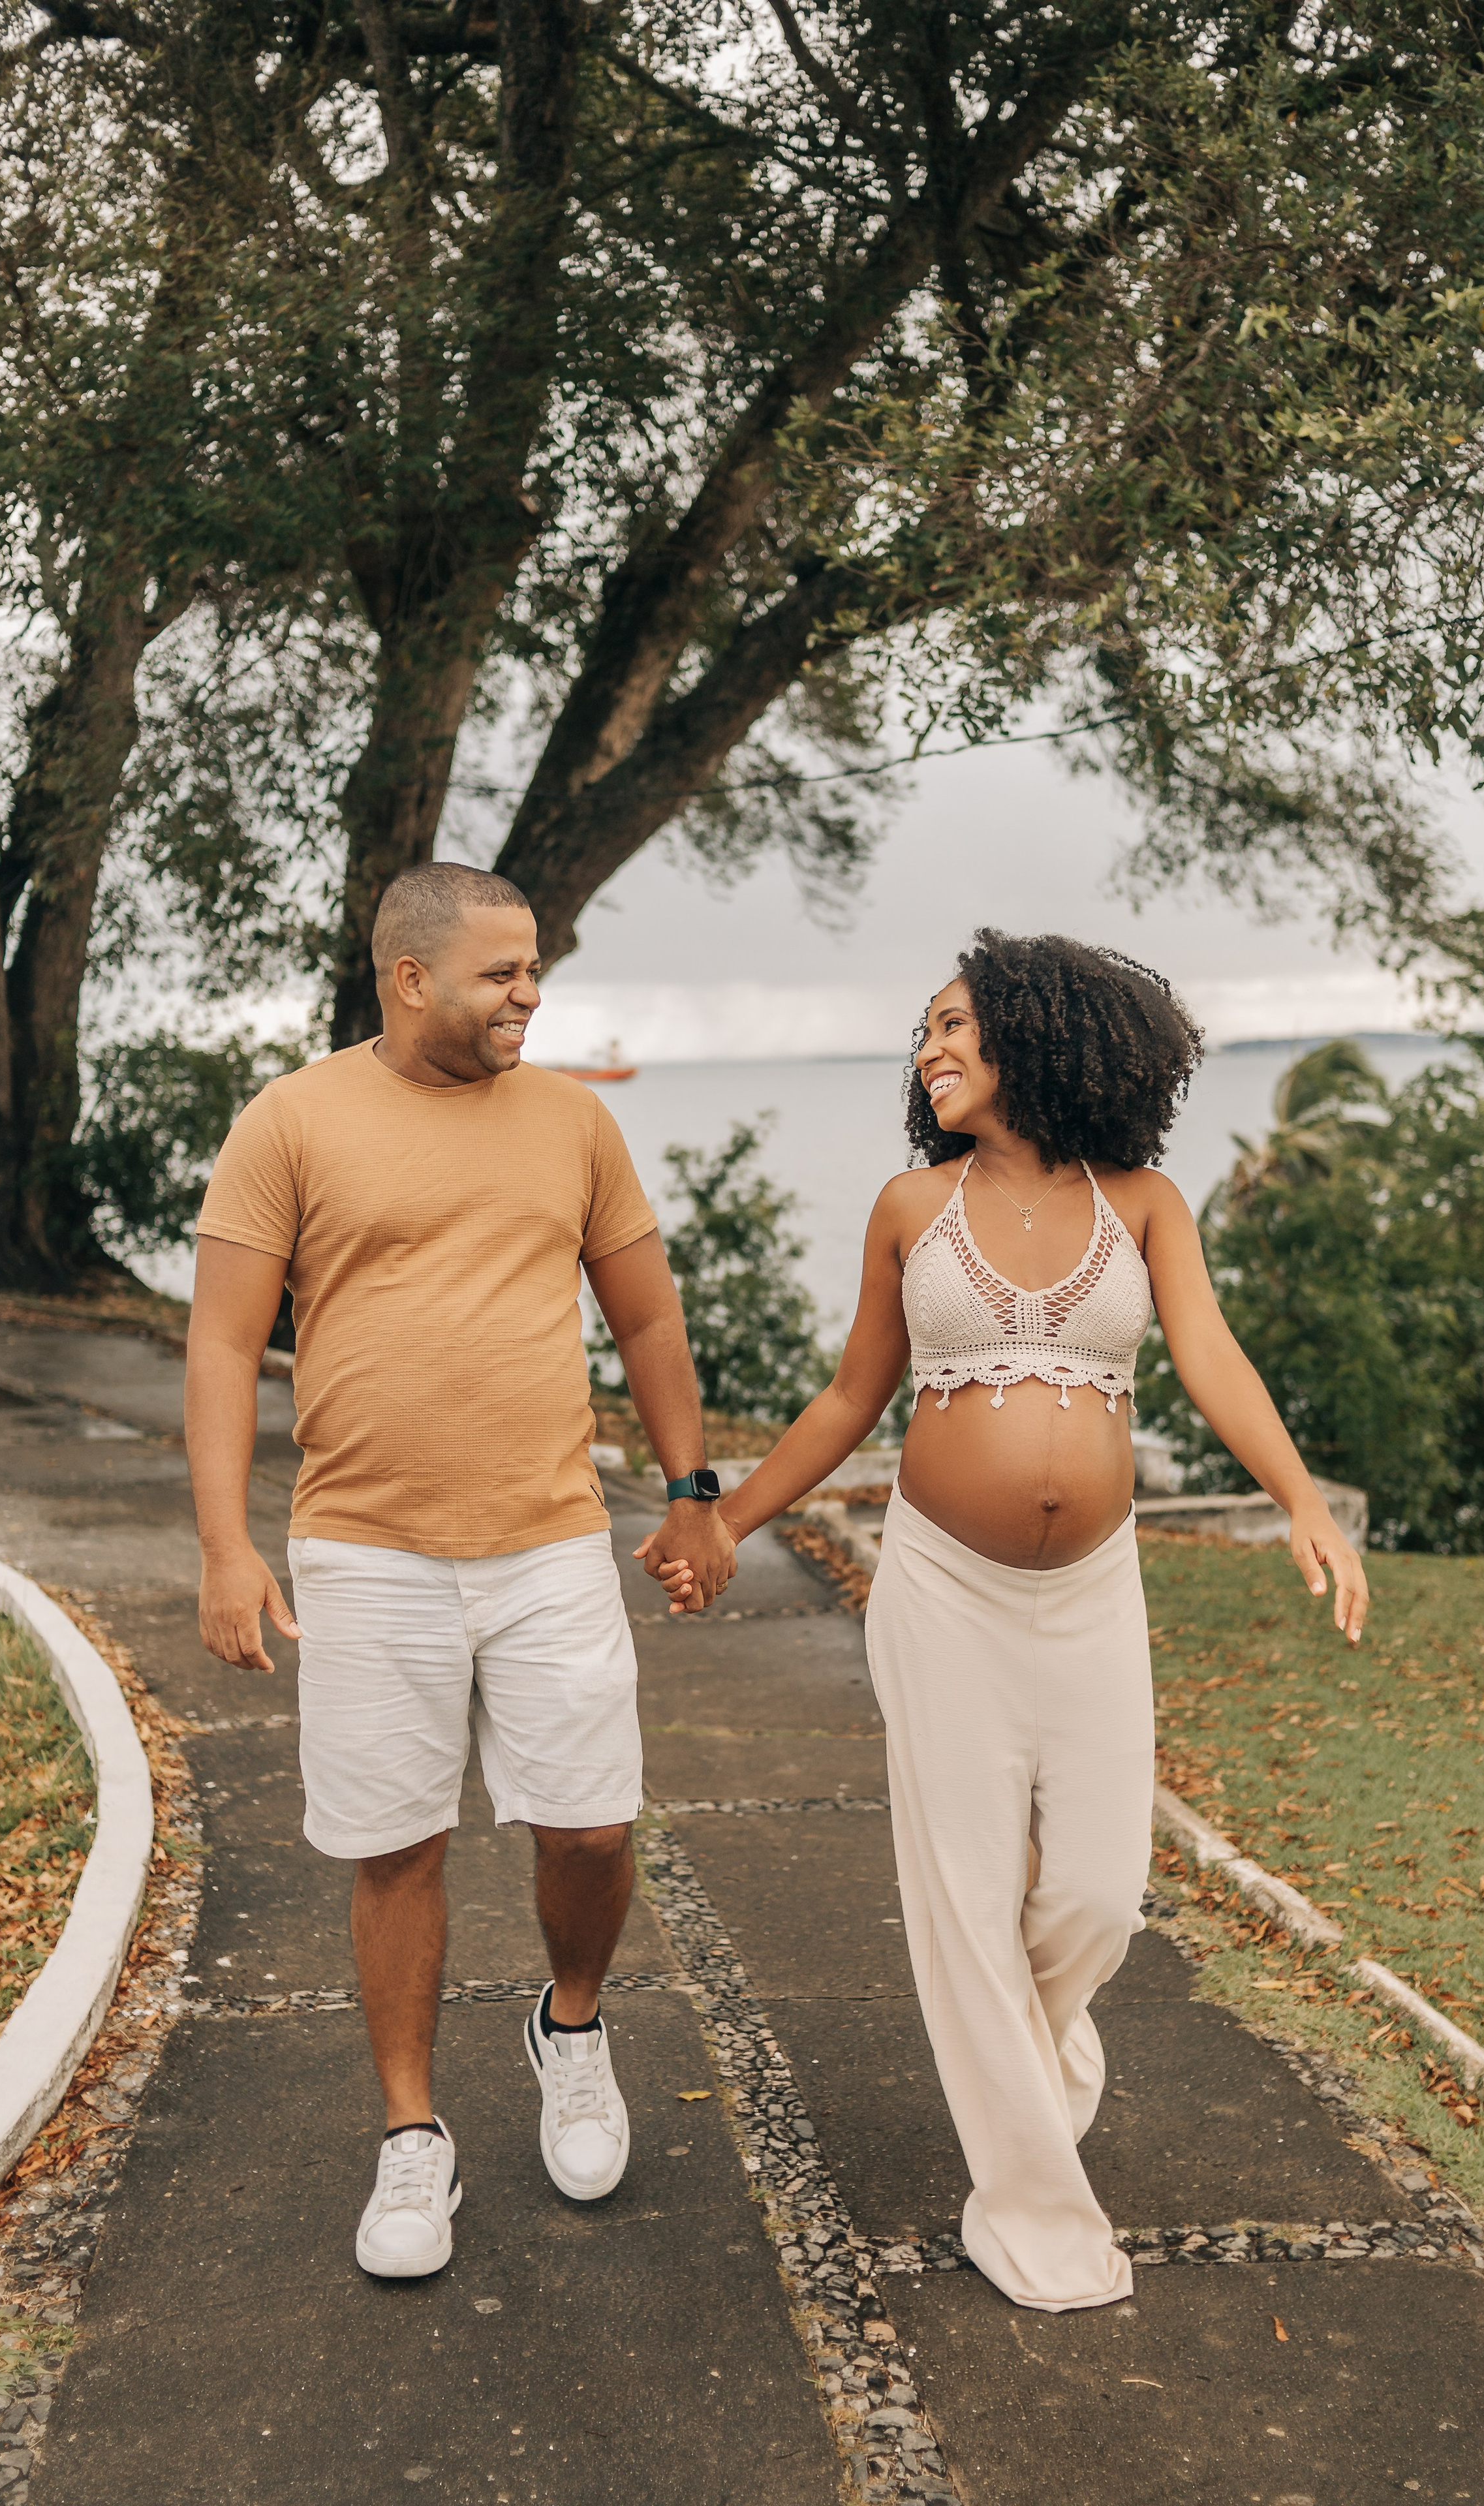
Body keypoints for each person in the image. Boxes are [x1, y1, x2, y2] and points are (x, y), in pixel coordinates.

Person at [651, 929, 1368, 2313]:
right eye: (923, 1029)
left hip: (1090, 1595)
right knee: (966, 1901)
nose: (929, 1050)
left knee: (1097, 1891)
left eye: (954, 1026)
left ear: (1037, 1037)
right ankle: (1030, 2211)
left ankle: (1030, 2072)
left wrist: (1299, 1501)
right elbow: (850, 1398)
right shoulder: (908, 1206)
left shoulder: (1143, 1202)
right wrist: (723, 1523)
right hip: (942, 1594)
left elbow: (1206, 1354)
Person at [185, 861, 735, 2280]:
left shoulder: (572, 1121)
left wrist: (692, 1498)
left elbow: (650, 1318)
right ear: (410, 976)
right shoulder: (292, 1121)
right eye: (503, 972)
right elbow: (222, 1346)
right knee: (395, 1847)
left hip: (552, 1539)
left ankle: (569, 2024)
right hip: (366, 1554)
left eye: (535, 968)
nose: (530, 994)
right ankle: (412, 2140)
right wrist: (226, 1546)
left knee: (592, 1827)